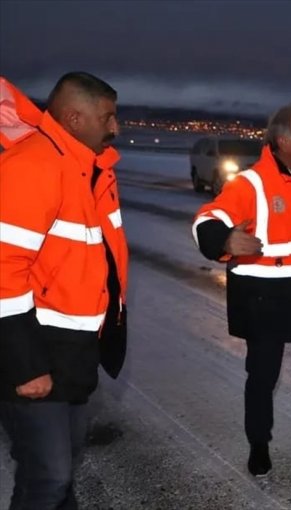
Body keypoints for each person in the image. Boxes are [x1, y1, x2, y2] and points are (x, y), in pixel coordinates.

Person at [192, 104, 291, 477]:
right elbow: (207, 219)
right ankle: (259, 444)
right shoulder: (250, 184)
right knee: (262, 377)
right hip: (265, 299)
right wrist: (226, 239)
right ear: (283, 141)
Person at [0, 72, 128, 509]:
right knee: (50, 479)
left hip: (73, 351)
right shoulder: (35, 166)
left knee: (56, 474)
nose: (115, 128)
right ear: (74, 118)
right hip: (36, 351)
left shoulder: (86, 172)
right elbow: (2, 272)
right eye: (107, 117)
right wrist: (25, 366)